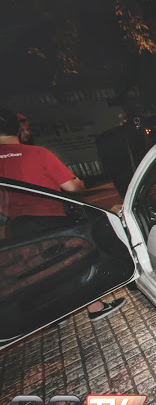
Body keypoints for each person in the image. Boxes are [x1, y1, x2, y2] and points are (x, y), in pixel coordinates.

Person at [0, 108, 125, 320]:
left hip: (18, 225)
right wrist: (79, 183)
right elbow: (72, 187)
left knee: (40, 270)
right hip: (51, 219)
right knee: (73, 261)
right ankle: (95, 307)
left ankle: (55, 315)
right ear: (17, 129)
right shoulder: (37, 153)